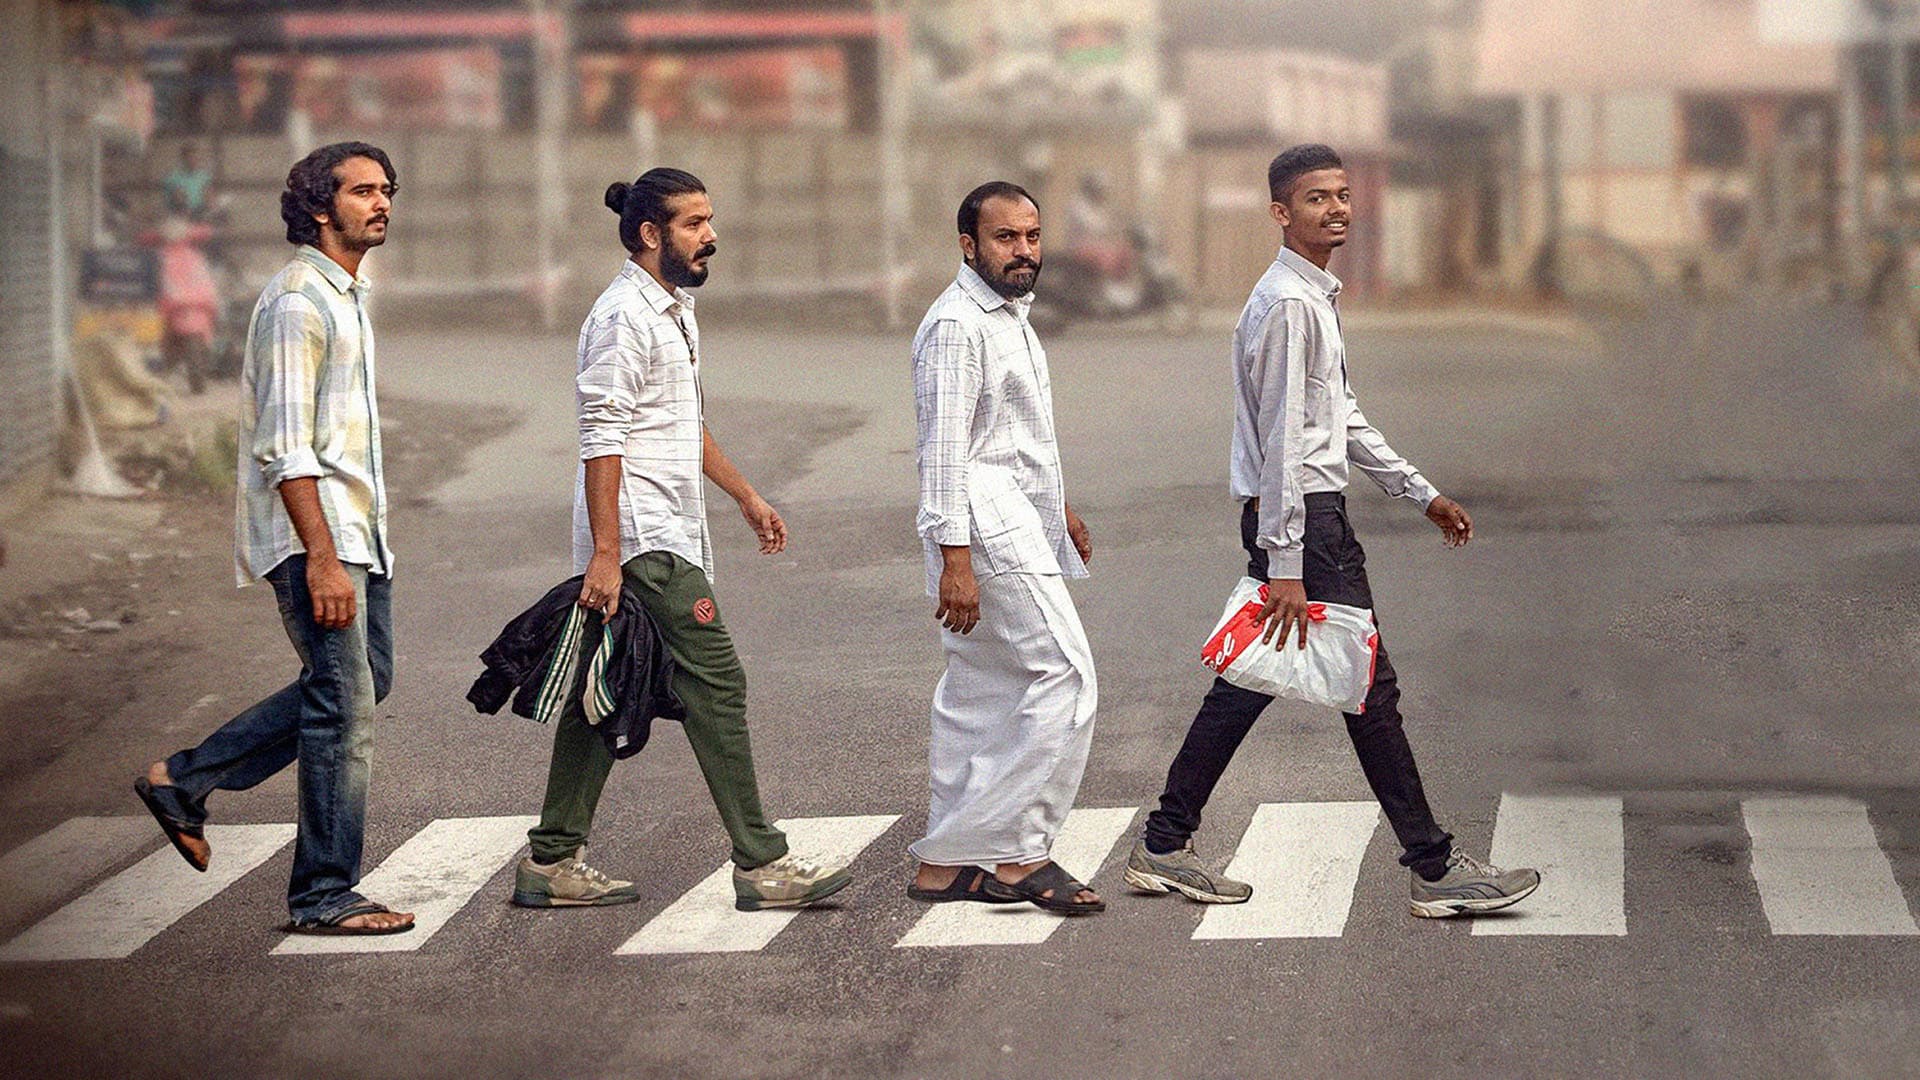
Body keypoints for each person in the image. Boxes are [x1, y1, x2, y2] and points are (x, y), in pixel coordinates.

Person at [1125, 144, 1541, 918]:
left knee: (1255, 679)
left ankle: (1163, 843)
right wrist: (1286, 560)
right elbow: (1285, 440)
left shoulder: (1311, 296)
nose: (1337, 208)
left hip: (1303, 518)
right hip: (1305, 524)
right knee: (1368, 690)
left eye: (1343, 194)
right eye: (1317, 198)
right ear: (1281, 213)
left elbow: (1338, 417)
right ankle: (1433, 866)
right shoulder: (1289, 304)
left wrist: (1419, 493)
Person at [511, 167, 851, 912]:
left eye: (709, 220)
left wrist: (745, 496)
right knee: (717, 684)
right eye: (695, 223)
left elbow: (679, 426)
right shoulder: (621, 318)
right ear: (649, 233)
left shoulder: (672, 311)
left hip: (661, 533)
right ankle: (762, 863)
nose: (711, 236)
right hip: (645, 542)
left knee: (605, 692)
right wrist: (607, 554)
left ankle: (551, 859)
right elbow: (602, 437)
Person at [134, 142, 413, 935]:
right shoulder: (298, 303)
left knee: (363, 684)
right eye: (362, 191)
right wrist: (321, 557)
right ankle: (323, 893)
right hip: (318, 539)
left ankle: (184, 781)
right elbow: (285, 448)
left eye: (386, 189)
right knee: (343, 711)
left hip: (355, 533)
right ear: (320, 208)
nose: (381, 202)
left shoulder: (343, 295)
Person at [906, 181, 1103, 915]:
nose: (1024, 251)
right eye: (1005, 238)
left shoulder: (1008, 315)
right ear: (969, 246)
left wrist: (1057, 506)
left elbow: (1011, 435)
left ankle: (946, 866)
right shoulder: (957, 325)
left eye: (1032, 236)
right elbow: (944, 452)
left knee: (981, 692)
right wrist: (954, 560)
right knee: (1065, 675)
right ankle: (1020, 856)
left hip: (1009, 511)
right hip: (981, 523)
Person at [162, 143, 213, 218]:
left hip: (201, 213)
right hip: (178, 215)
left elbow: (209, 196)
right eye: (190, 158)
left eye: (195, 158)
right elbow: (178, 199)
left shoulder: (205, 176)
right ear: (183, 159)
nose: (193, 161)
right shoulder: (172, 178)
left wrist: (210, 203)